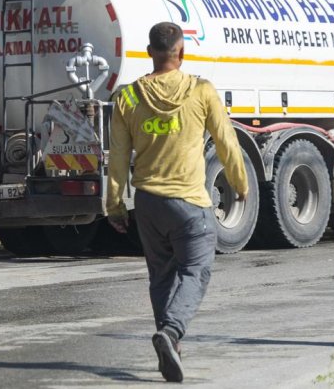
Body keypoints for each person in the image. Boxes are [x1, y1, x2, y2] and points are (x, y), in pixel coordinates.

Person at [106, 22, 249, 382]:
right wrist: (240, 183)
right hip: (189, 202)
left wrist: (114, 205)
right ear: (181, 53)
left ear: (149, 51)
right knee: (196, 270)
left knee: (161, 277)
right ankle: (171, 333)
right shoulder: (201, 91)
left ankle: (171, 349)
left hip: (149, 203)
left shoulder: (128, 98)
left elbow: (118, 157)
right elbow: (226, 143)